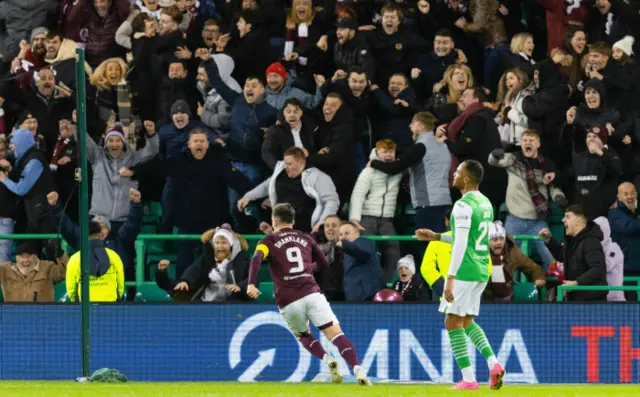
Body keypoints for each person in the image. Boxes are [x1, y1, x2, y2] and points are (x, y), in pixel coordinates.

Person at [246, 203, 371, 386]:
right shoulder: (305, 238)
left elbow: (257, 259)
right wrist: (306, 268)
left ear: (274, 220)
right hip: (312, 293)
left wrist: (251, 284)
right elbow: (323, 264)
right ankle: (357, 368)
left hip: (288, 299)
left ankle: (328, 360)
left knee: (303, 335)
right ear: (293, 221)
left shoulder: (268, 241)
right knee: (336, 334)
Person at [415, 159, 505, 390]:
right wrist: (437, 236)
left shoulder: (463, 206)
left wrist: (450, 277)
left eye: (457, 171)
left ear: (466, 178)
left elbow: (462, 243)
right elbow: (471, 238)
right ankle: (494, 364)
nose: (453, 173)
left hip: (464, 271)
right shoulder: (485, 203)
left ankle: (468, 379)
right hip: (481, 269)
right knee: (466, 321)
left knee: (452, 322)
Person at [238, 147, 339, 234]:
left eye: (290, 164)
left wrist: (321, 223)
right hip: (281, 228)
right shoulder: (280, 172)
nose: (286, 167)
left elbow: (332, 201)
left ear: (300, 163)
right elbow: (266, 186)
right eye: (285, 163)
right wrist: (248, 196)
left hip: (306, 230)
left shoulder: (318, 177)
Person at [158, 224, 251, 302]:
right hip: (205, 304)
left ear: (231, 245)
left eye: (224, 243)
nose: (220, 246)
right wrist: (185, 281)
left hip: (234, 306)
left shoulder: (242, 260)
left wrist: (240, 287)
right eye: (217, 243)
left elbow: (252, 279)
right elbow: (194, 270)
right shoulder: (207, 259)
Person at [539, 205, 608, 301]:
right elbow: (561, 255)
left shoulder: (591, 241)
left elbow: (598, 269)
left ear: (578, 221)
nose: (563, 220)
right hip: (576, 299)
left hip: (591, 302)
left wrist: (576, 283)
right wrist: (549, 240)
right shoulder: (571, 241)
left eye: (567, 216)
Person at [66, 220, 125, 302]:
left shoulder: (75, 259)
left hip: (84, 308)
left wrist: (76, 303)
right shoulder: (113, 256)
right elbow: (120, 286)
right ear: (101, 235)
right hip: (110, 306)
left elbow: (71, 289)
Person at [0, 241, 66, 302]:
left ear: (36, 256)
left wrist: (60, 253)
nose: (25, 260)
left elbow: (66, 272)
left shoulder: (47, 267)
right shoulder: (5, 269)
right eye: (21, 256)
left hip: (41, 313)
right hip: (12, 314)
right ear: (16, 257)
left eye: (29, 255)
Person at [338, 221, 385, 301]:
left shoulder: (363, 241)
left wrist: (339, 243)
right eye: (340, 235)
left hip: (368, 298)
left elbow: (361, 252)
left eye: (347, 233)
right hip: (354, 299)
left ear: (357, 234)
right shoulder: (346, 254)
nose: (343, 237)